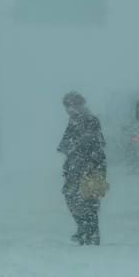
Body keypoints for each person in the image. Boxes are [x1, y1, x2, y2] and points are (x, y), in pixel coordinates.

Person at [57, 91, 107, 245]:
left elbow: (93, 142)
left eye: (71, 106)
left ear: (79, 105)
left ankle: (90, 233)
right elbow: (64, 145)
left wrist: (77, 149)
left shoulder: (90, 120)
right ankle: (84, 229)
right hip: (76, 167)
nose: (68, 110)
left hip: (91, 167)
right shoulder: (74, 122)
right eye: (67, 107)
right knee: (73, 197)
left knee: (88, 201)